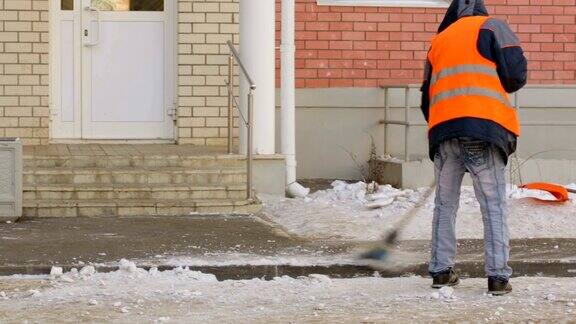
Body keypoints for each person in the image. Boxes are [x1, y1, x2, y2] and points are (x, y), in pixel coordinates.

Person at [420, 0, 527, 295]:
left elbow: (426, 99)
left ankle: (441, 272)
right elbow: (516, 75)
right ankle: (497, 277)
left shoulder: (438, 41)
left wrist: (447, 125)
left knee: (445, 205)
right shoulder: (493, 27)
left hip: (444, 134)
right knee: (493, 206)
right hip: (483, 130)